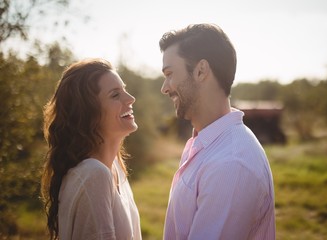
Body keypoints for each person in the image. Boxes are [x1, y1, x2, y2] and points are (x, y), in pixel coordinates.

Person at [159, 23, 276, 239]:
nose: (164, 87)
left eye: (169, 74)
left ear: (201, 71)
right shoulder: (207, 143)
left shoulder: (231, 164)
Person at [41, 58, 142, 240]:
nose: (130, 98)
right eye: (115, 95)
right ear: (89, 114)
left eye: (124, 90)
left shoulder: (116, 168)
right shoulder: (94, 175)